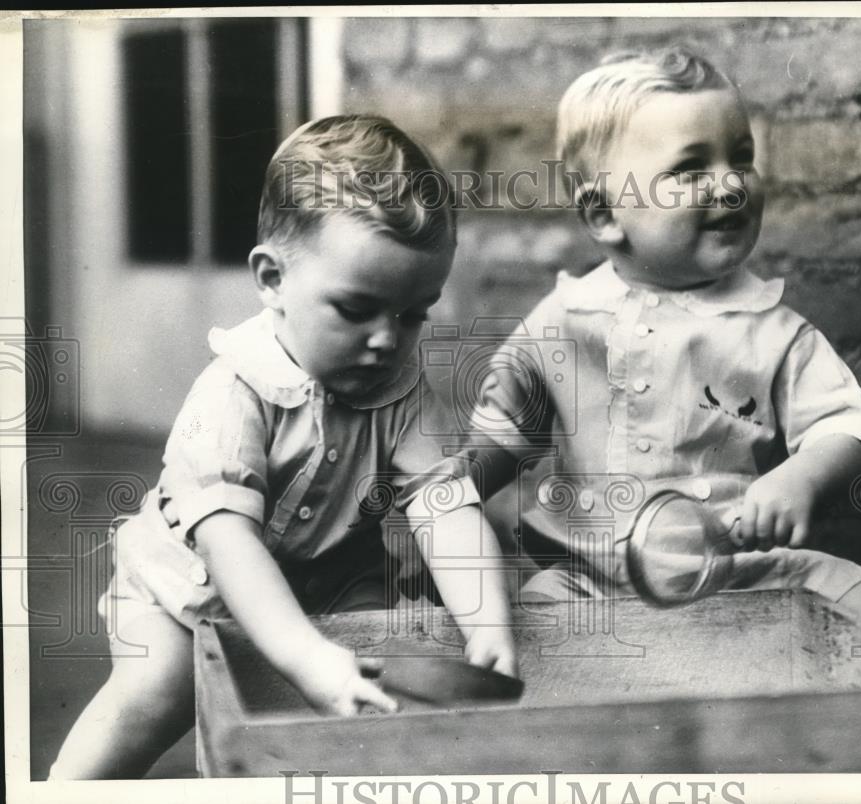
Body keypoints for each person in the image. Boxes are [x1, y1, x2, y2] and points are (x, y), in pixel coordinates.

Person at [50, 115, 517, 779]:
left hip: (323, 579)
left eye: (414, 313)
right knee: (155, 695)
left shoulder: (402, 391)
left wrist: (489, 626)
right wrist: (305, 655)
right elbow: (229, 543)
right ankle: (65, 791)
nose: (387, 340)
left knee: (388, 668)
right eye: (356, 310)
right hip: (188, 587)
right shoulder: (236, 390)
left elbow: (446, 509)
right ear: (272, 279)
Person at [469, 49, 861, 625]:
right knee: (518, 613)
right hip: (589, 581)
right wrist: (451, 489)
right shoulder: (564, 317)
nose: (729, 185)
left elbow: (841, 427)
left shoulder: (772, 329)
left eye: (741, 158)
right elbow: (500, 435)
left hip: (737, 570)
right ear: (604, 216)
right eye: (691, 169)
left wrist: (800, 478)